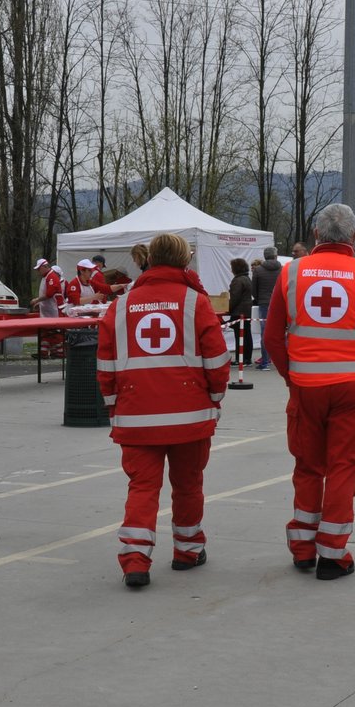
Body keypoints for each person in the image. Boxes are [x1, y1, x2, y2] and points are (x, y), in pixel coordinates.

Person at [262, 204, 355, 580]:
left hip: (306, 387)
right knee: (343, 467)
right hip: (354, 388)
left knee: (307, 465)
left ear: (316, 236)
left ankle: (303, 549)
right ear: (353, 238)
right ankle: (333, 555)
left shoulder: (292, 273)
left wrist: (293, 376)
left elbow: (272, 337)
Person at [96, 234, 231, 589]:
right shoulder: (195, 302)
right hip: (189, 416)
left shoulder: (121, 305)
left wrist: (114, 406)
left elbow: (106, 363)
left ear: (150, 260)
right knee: (188, 485)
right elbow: (217, 359)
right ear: (185, 261)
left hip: (136, 415)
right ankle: (187, 550)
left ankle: (135, 561)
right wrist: (215, 399)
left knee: (142, 488)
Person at [252, 246, 283, 369]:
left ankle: (265, 361)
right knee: (282, 332)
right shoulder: (282, 269)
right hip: (280, 303)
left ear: (265, 256)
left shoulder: (258, 270)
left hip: (264, 303)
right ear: (276, 256)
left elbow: (254, 289)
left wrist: (260, 299)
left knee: (265, 333)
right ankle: (283, 361)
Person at [226, 257, 253, 367]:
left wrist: (228, 309)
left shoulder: (238, 280)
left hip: (239, 312)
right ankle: (247, 358)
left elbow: (234, 298)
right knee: (247, 335)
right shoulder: (247, 278)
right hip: (246, 311)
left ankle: (240, 359)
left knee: (240, 337)